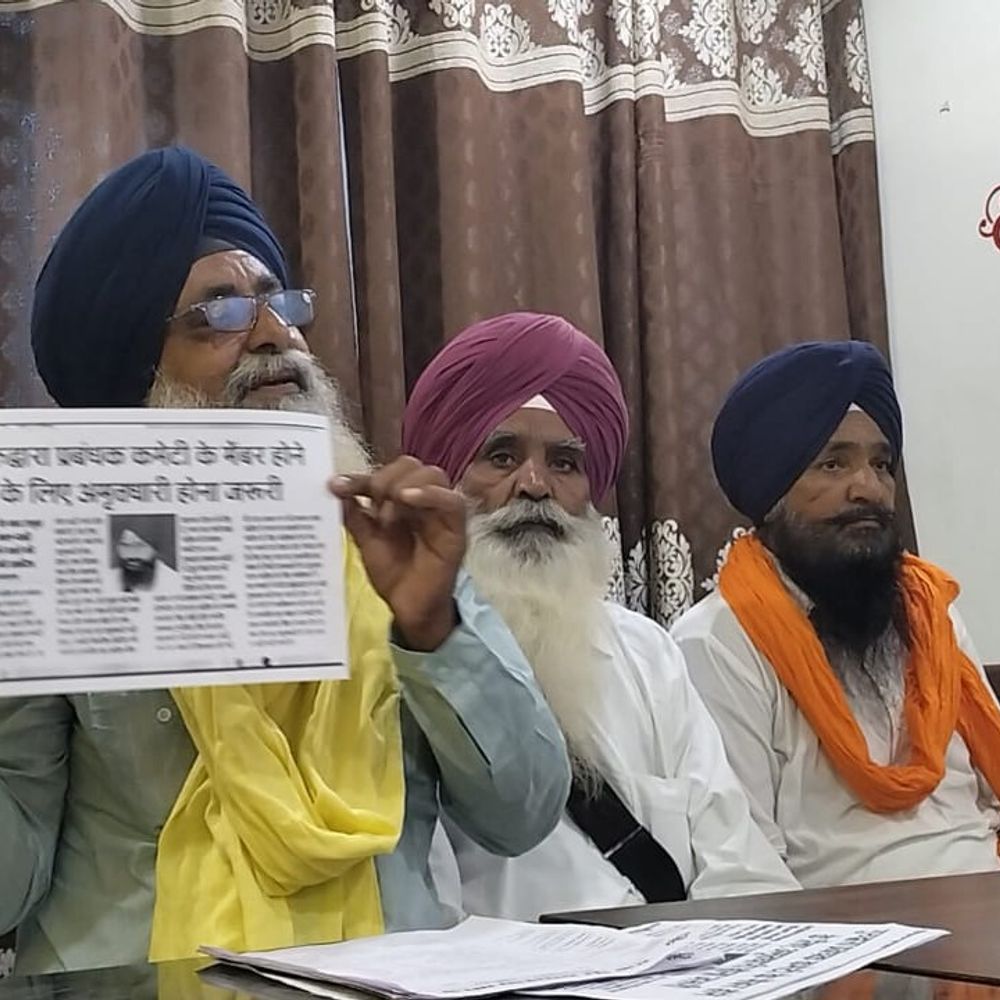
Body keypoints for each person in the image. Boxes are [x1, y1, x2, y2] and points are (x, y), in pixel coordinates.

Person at [0, 147, 570, 973]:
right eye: (219, 315)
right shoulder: (67, 566)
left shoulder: (388, 540)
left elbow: (522, 815)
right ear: (137, 372)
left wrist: (434, 630)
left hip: (385, 978)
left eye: (278, 303)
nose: (275, 336)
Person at [404, 312, 799, 920]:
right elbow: (421, 909)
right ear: (446, 474)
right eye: (501, 456)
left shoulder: (646, 653)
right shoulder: (407, 663)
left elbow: (739, 864)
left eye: (564, 463)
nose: (534, 486)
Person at [672, 341, 1000, 889]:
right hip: (847, 930)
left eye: (881, 464)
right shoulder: (718, 642)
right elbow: (745, 867)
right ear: (772, 494)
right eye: (833, 463)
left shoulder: (930, 613)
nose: (868, 488)